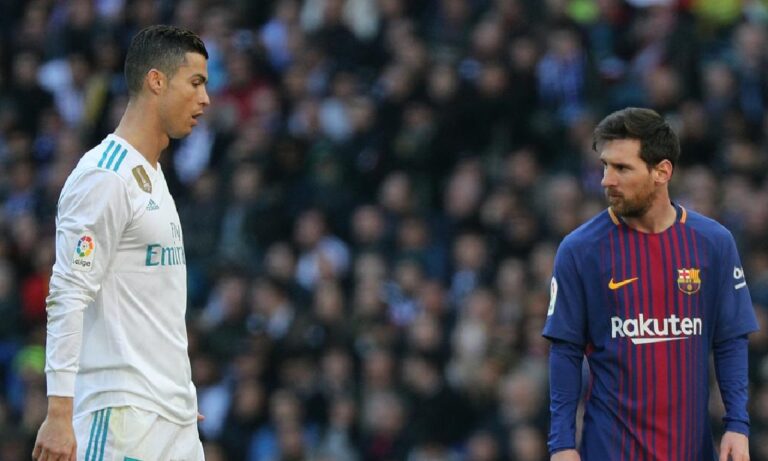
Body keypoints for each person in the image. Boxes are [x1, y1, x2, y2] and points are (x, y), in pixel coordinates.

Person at [32, 25, 210, 460]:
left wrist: (171, 387)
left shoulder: (153, 174)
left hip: (172, 417)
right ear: (156, 81)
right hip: (120, 419)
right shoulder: (104, 175)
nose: (205, 99)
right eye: (195, 83)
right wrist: (59, 413)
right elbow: (68, 292)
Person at [542, 107, 758, 461]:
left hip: (690, 450)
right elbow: (565, 350)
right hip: (609, 450)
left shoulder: (713, 243)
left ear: (662, 171)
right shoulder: (580, 250)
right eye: (605, 166)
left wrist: (738, 424)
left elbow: (730, 339)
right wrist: (562, 445)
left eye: (622, 168)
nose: (606, 180)